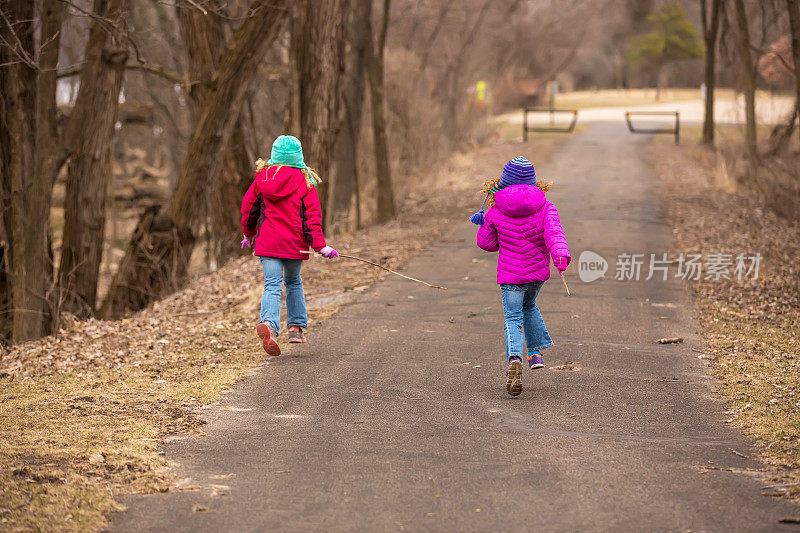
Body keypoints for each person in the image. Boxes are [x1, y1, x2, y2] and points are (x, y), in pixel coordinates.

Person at [471, 156, 570, 396]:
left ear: (503, 183)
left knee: (513, 317)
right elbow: (554, 234)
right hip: (536, 274)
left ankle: (514, 358)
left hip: (510, 277)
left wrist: (485, 223)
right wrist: (560, 255)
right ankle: (535, 354)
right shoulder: (546, 207)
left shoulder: (495, 210)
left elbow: (486, 244)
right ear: (533, 183)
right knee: (530, 307)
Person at [240, 135, 338, 356]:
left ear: (275, 155)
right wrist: (321, 246)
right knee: (293, 282)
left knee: (272, 286)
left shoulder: (262, 179)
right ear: (298, 157)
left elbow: (249, 209)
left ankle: (270, 326)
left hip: (268, 244)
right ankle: (295, 329)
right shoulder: (305, 182)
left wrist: (248, 233)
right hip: (294, 245)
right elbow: (312, 218)